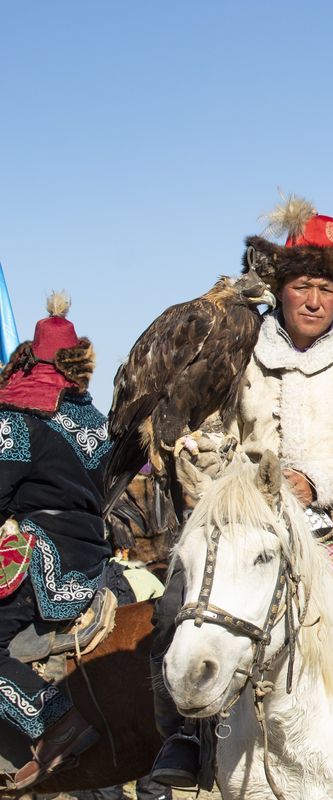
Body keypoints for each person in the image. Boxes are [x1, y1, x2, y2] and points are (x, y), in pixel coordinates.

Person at [149, 197, 333, 796]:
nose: (314, 301)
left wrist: (314, 480)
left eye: (327, 290)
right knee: (175, 603)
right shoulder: (241, 359)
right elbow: (219, 437)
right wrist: (205, 459)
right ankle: (182, 735)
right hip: (253, 518)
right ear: (281, 289)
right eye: (303, 286)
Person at [0, 294, 112, 790]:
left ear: (27, 357)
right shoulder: (95, 421)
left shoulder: (19, 416)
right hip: (92, 551)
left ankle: (53, 719)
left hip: (43, 552)